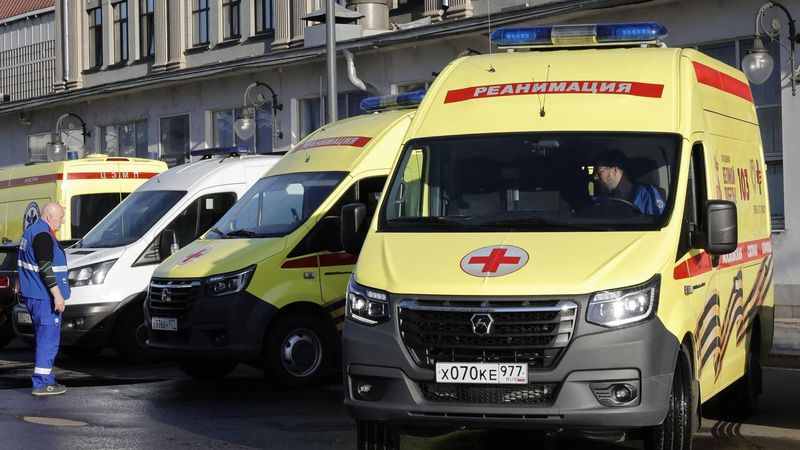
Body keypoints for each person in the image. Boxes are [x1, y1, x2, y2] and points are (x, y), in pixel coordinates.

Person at [18, 202, 70, 396]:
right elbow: (45, 267)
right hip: (44, 298)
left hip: (34, 295)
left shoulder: (31, 231)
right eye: (60, 218)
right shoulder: (43, 235)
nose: (62, 222)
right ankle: (41, 383)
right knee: (48, 341)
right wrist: (57, 295)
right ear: (49, 217)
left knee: (43, 340)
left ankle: (46, 379)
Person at [593, 149, 665, 215]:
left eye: (599, 171)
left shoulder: (647, 194)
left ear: (614, 171)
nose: (595, 177)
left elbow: (657, 224)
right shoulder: (601, 200)